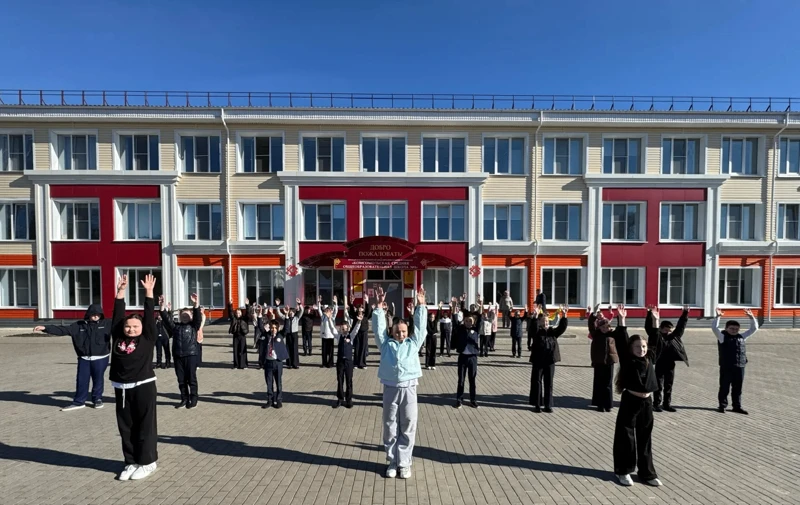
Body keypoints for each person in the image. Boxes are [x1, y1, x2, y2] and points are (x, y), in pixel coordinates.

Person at [371, 285, 426, 479]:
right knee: (390, 425)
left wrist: (421, 306)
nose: (400, 335)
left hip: (409, 388)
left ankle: (405, 463)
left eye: (403, 331)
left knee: (408, 424)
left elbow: (421, 329)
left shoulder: (413, 344)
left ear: (407, 332)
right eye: (397, 332)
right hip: (390, 388)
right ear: (392, 331)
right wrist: (379, 307)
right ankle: (392, 461)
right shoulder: (386, 345)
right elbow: (378, 330)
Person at [110, 274, 159, 481]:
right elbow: (117, 315)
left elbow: (148, 315)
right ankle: (131, 462)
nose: (131, 329)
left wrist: (149, 293)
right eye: (128, 326)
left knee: (145, 426)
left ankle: (148, 462)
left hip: (143, 386)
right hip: (121, 387)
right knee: (126, 427)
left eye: (135, 326)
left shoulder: (147, 337)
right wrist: (120, 291)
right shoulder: (118, 337)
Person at [612, 305, 663, 487]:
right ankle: (623, 471)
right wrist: (621, 320)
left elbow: (655, 339)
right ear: (631, 348)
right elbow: (621, 340)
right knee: (626, 437)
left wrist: (655, 321)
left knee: (645, 437)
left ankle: (647, 473)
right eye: (637, 346)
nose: (641, 349)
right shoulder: (628, 359)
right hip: (630, 401)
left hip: (646, 402)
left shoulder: (650, 358)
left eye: (643, 346)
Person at [34, 303, 112, 411]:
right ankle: (79, 402)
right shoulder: (78, 325)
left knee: (98, 379)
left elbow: (121, 325)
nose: (95, 316)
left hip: (101, 358)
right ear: (88, 314)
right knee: (81, 380)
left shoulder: (107, 324)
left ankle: (97, 399)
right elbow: (63, 330)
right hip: (84, 358)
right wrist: (46, 328)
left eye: (98, 314)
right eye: (93, 314)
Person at [713, 307, 758, 414]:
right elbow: (714, 328)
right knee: (724, 387)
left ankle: (737, 406)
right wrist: (718, 317)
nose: (734, 330)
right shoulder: (722, 337)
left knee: (737, 388)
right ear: (726, 328)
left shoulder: (741, 337)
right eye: (732, 328)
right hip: (727, 367)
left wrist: (751, 317)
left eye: (736, 329)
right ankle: (722, 406)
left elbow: (754, 329)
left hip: (740, 366)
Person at [160, 294, 202, 409]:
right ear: (179, 316)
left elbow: (198, 317)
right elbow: (166, 319)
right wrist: (162, 307)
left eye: (187, 315)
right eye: (183, 315)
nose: (185, 317)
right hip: (178, 356)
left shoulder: (194, 326)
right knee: (181, 379)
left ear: (191, 316)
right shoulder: (175, 327)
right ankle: (184, 398)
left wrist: (196, 304)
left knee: (191, 379)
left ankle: (194, 399)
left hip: (191, 355)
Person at [645, 305, 689, 413]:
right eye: (666, 330)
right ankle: (656, 404)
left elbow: (681, 327)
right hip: (659, 363)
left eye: (670, 330)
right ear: (661, 328)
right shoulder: (656, 335)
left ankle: (667, 404)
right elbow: (649, 328)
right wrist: (650, 314)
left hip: (670, 364)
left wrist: (685, 314)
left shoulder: (674, 336)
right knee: (658, 385)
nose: (668, 332)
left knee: (668, 385)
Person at [528, 305, 569, 412]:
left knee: (549, 383)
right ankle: (537, 404)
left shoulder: (552, 332)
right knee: (537, 382)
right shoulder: (537, 332)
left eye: (546, 321)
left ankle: (548, 405)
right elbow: (532, 329)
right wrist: (535, 317)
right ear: (539, 322)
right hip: (538, 361)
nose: (545, 323)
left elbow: (561, 328)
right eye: (543, 321)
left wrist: (564, 316)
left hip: (550, 361)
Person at [588, 304, 620, 412]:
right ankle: (599, 404)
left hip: (609, 362)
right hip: (598, 361)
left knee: (608, 383)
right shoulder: (596, 334)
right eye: (603, 327)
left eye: (607, 327)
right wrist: (594, 314)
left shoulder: (612, 335)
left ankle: (608, 404)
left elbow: (620, 329)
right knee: (599, 383)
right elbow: (591, 324)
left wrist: (620, 317)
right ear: (599, 327)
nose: (605, 329)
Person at [453, 297, 482, 408]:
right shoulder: (460, 329)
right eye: (466, 321)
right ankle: (459, 400)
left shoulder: (476, 329)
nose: (468, 322)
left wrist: (481, 305)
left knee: (472, 380)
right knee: (461, 380)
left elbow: (480, 317)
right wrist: (454, 307)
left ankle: (473, 400)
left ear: (473, 321)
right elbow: (454, 321)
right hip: (462, 357)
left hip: (472, 358)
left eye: (470, 321)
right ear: (464, 321)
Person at [334, 304, 361, 408]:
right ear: (340, 329)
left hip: (349, 362)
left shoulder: (351, 336)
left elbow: (356, 330)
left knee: (349, 381)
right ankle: (340, 399)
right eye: (342, 329)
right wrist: (329, 319)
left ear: (348, 328)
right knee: (340, 380)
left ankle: (349, 400)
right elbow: (332, 329)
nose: (344, 330)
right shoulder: (338, 336)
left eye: (345, 329)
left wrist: (358, 322)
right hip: (340, 362)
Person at [259, 317, 289, 408]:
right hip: (268, 362)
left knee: (278, 382)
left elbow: (286, 329)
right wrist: (259, 316)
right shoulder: (267, 335)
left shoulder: (280, 335)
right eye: (272, 327)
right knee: (269, 383)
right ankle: (270, 400)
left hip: (277, 362)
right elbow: (260, 327)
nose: (274, 329)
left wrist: (287, 317)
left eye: (275, 328)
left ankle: (279, 400)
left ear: (278, 328)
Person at [347, 288, 373, 370]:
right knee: (357, 348)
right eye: (359, 308)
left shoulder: (365, 315)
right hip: (357, 333)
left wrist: (367, 301)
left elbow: (369, 310)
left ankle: (362, 364)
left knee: (363, 348)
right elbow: (351, 311)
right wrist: (351, 302)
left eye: (362, 308)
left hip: (364, 332)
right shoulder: (355, 315)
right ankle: (356, 363)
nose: (360, 309)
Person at [277, 298, 302, 369]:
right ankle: (289, 364)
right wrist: (277, 306)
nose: (291, 313)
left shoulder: (297, 318)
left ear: (294, 313)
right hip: (288, 334)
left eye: (292, 312)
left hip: (294, 334)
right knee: (288, 349)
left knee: (295, 349)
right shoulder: (286, 317)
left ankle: (295, 364)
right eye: (290, 312)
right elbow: (279, 314)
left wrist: (299, 303)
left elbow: (302, 311)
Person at [317, 296, 338, 368]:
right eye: (326, 310)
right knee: (324, 351)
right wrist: (319, 302)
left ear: (331, 311)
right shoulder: (323, 317)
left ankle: (330, 363)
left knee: (331, 352)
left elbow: (336, 311)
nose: (327, 312)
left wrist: (335, 303)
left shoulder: (333, 317)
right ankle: (324, 363)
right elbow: (319, 310)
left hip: (331, 336)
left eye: (329, 310)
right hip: (324, 336)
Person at [424, 303, 442, 370]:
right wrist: (426, 308)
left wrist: (439, 308)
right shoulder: (427, 322)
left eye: (433, 317)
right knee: (428, 351)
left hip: (434, 337)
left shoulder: (435, 321)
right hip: (429, 337)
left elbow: (438, 315)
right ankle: (427, 365)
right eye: (430, 317)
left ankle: (433, 364)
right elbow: (425, 315)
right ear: (428, 317)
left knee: (433, 351)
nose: (432, 318)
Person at [154, 304, 172, 369]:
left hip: (165, 337)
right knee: (158, 351)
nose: (159, 316)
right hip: (158, 338)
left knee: (167, 351)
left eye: (160, 315)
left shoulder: (165, 321)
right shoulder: (155, 321)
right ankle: (159, 363)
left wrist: (169, 310)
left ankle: (168, 363)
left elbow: (169, 318)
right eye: (158, 315)